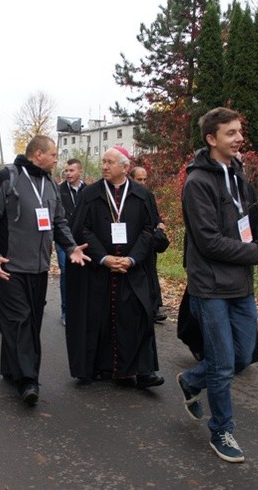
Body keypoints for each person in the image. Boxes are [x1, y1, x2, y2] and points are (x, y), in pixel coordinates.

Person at [178, 107, 258, 463]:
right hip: (210, 285)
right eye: (231, 133)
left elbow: (243, 220)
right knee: (222, 364)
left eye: (239, 131)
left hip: (240, 282)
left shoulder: (236, 173)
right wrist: (257, 252)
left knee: (241, 355)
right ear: (211, 139)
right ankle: (222, 429)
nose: (239, 138)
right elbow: (208, 241)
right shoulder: (197, 183)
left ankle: (191, 380)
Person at [0, 135, 90, 404]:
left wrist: (71, 247)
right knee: (20, 321)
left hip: (39, 267)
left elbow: (59, 221)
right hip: (9, 266)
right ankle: (28, 380)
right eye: (53, 154)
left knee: (31, 323)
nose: (57, 160)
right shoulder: (7, 177)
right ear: (38, 154)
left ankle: (10, 368)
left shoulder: (51, 182)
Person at [66, 148, 164, 390]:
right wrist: (104, 257)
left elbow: (149, 230)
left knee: (137, 316)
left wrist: (132, 259)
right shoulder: (90, 194)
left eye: (110, 162)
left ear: (124, 166)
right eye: (104, 162)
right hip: (100, 269)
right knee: (101, 317)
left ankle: (143, 370)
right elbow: (82, 229)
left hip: (133, 267)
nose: (105, 166)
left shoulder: (142, 195)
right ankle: (100, 366)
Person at [129, 165, 170, 323]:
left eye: (145, 179)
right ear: (132, 179)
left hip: (149, 240)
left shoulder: (149, 195)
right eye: (139, 179)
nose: (142, 182)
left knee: (151, 274)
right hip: (133, 242)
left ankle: (154, 309)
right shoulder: (127, 197)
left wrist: (160, 223)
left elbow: (155, 214)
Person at [56, 158, 85, 325]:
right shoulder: (58, 190)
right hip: (63, 239)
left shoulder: (87, 190)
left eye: (71, 170)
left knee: (81, 274)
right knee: (66, 271)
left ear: (79, 171)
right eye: (66, 171)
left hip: (82, 239)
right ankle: (65, 310)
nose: (68, 173)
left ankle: (80, 309)